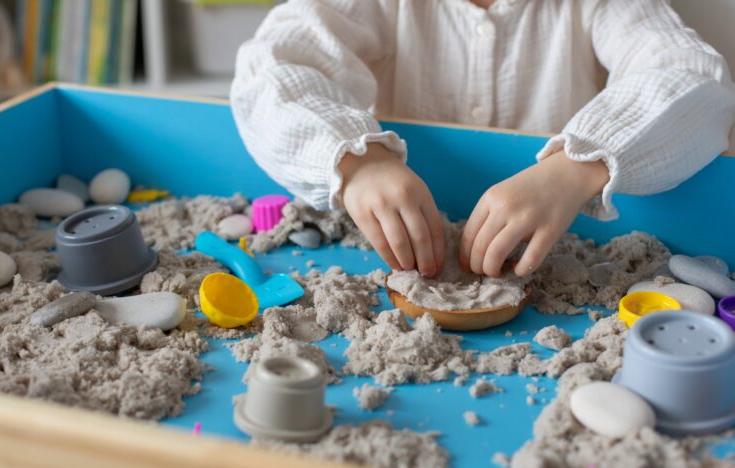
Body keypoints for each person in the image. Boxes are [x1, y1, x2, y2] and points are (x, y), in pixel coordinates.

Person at [230, 0, 735, 278]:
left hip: (562, 242)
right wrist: (359, 163)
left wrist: (575, 168)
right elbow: (269, 68)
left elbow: (695, 76)